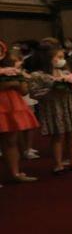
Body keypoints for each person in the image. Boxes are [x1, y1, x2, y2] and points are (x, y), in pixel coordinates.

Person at [26, 44, 72, 174]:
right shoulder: (38, 75)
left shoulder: (65, 73)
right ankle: (58, 164)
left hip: (68, 106)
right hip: (53, 108)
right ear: (48, 58)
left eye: (62, 57)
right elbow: (34, 93)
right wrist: (52, 89)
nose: (62, 59)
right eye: (59, 57)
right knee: (57, 136)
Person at [0, 47, 37, 183]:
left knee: (11, 141)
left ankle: (15, 173)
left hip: (12, 106)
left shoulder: (13, 69)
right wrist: (10, 84)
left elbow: (23, 91)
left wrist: (15, 81)